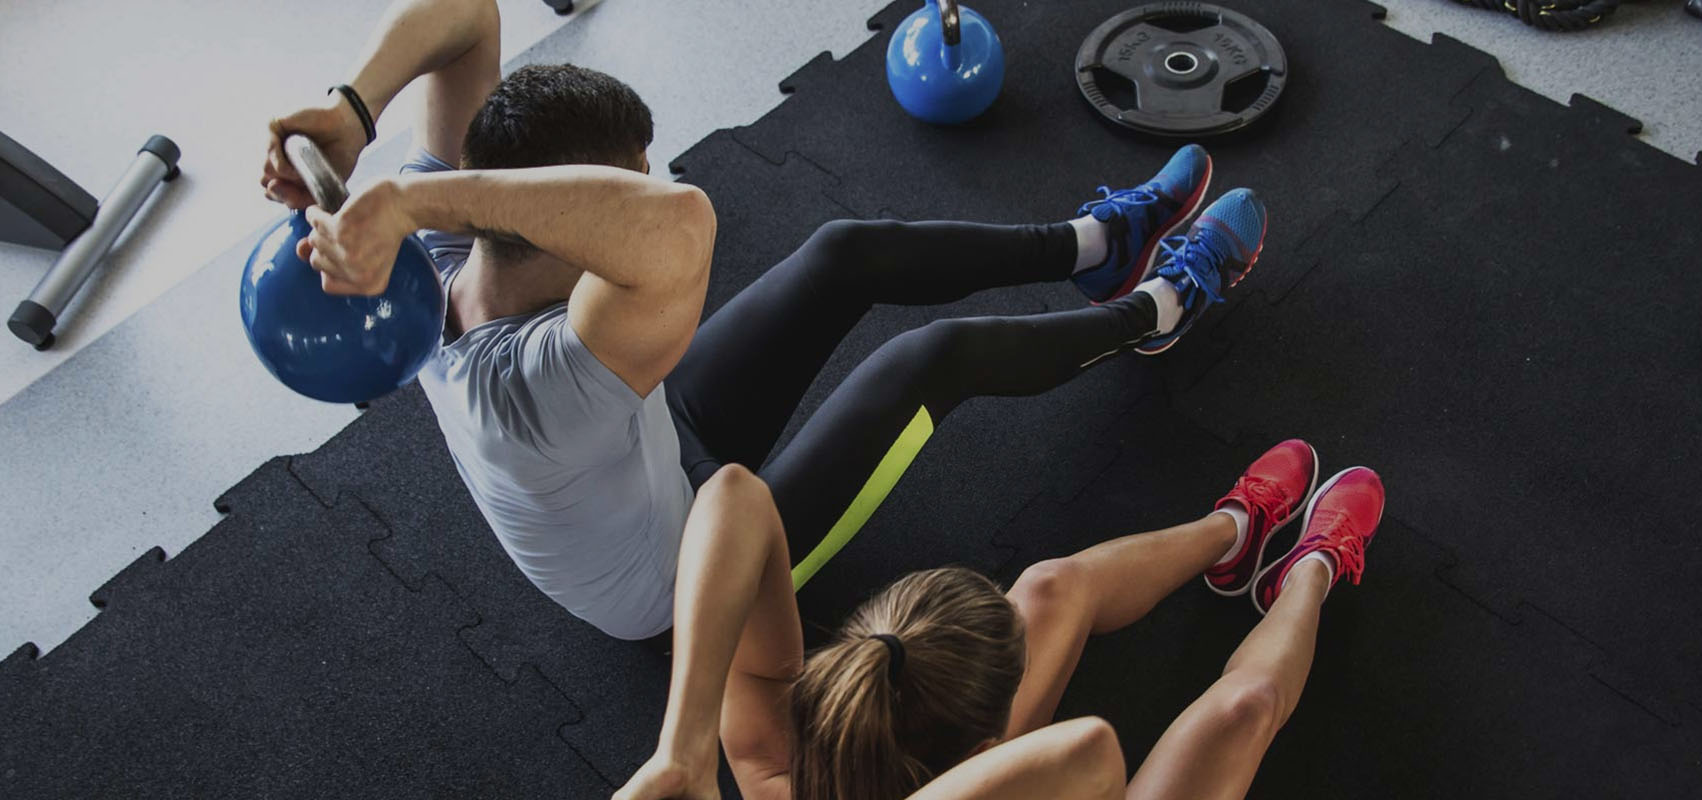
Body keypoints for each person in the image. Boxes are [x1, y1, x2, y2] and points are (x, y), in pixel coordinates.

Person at [260, 0, 1268, 641]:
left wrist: (354, 114)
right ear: (570, 227)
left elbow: (467, 12)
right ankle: (1159, 307)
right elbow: (677, 224)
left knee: (841, 251)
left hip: (647, 441)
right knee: (935, 357)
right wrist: (437, 195)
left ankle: (1098, 247)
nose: (654, 179)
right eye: (631, 176)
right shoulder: (537, 388)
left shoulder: (443, 252)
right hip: (686, 571)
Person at [613, 440, 1385, 800]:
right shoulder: (1044, 761)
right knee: (1243, 711)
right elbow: (1092, 756)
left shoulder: (775, 765)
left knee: (1048, 588)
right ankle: (1310, 574)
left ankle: (1234, 533)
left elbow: (735, 496)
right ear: (989, 743)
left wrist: (681, 750)